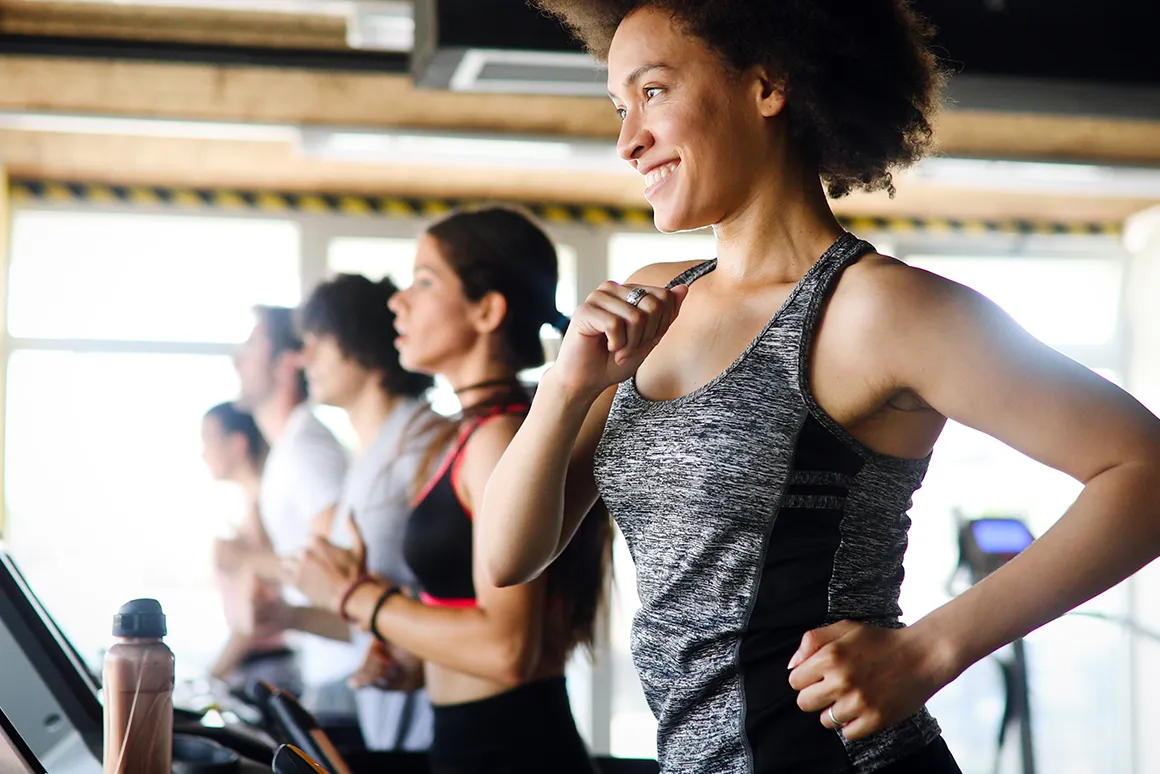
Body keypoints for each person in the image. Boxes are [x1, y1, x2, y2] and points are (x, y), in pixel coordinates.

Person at [474, 3, 1160, 774]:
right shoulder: (648, 303)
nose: (629, 139)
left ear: (767, 84)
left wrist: (933, 649)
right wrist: (567, 388)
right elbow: (506, 558)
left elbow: (1145, 470)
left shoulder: (880, 309)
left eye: (655, 93)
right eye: (619, 107)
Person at [287, 206, 611, 774]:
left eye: (425, 281)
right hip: (474, 739)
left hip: (510, 750)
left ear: (487, 310)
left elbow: (508, 651)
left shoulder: (498, 437)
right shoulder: (474, 433)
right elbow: (476, 622)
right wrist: (418, 659)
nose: (398, 300)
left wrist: (354, 597)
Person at [283, 273, 437, 752]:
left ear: (360, 345)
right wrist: (286, 612)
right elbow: (367, 607)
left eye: (318, 343)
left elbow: (459, 594)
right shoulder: (367, 455)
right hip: (393, 725)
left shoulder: (423, 444)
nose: (305, 359)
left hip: (439, 729)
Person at [226, 306, 351, 712]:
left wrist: (248, 559)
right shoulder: (287, 451)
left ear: (284, 364)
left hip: (345, 676)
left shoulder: (306, 450)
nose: (236, 359)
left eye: (250, 346)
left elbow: (341, 570)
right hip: (326, 668)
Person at [200, 402, 302, 697]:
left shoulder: (261, 509)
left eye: (208, 440)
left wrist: (211, 678)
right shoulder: (254, 507)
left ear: (238, 444)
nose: (202, 452)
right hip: (259, 667)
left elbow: (256, 611)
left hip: (264, 673)